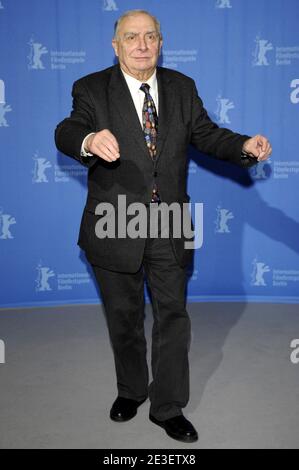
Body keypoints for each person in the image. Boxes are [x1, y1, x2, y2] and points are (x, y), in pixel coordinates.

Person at [55, 9, 272, 443]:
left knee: (174, 317)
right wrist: (88, 140)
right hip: (113, 222)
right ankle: (131, 391)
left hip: (170, 221)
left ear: (160, 42)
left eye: (150, 36)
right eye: (131, 37)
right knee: (124, 317)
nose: (141, 44)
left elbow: (208, 135)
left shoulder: (181, 87)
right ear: (115, 45)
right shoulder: (91, 88)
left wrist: (244, 146)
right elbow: (69, 128)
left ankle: (168, 406)